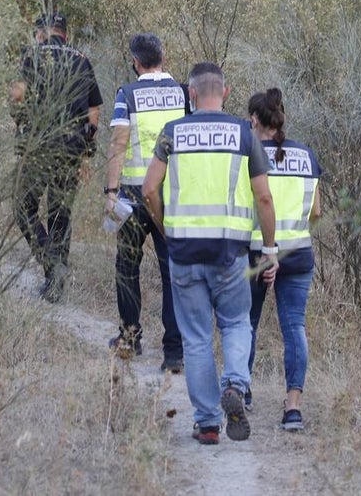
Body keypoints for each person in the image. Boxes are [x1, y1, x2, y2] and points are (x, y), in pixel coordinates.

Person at [142, 62, 278, 446]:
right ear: (227, 92)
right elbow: (264, 197)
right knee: (236, 324)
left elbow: (149, 189)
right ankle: (235, 383)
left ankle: (206, 423)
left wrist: (167, 227)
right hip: (229, 253)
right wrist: (269, 249)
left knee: (197, 338)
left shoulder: (172, 133)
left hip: (183, 252)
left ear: (190, 93)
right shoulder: (243, 133)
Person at [103, 33, 188, 372]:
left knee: (127, 267)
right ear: (162, 57)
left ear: (136, 62)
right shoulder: (183, 93)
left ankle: (129, 338)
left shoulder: (128, 93)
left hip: (135, 196)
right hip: (172, 196)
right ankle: (174, 353)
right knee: (172, 273)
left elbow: (119, 142)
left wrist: (111, 191)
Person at [244, 88, 322, 432]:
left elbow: (255, 203)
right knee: (294, 328)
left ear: (254, 120)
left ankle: (241, 389)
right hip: (298, 253)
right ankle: (293, 408)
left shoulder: (249, 153)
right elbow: (316, 212)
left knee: (245, 322)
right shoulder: (307, 155)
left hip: (258, 250)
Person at [10, 12, 102, 303]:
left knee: (23, 206)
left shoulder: (31, 55)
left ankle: (51, 263)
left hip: (39, 145)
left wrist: (20, 117)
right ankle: (55, 286)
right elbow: (94, 112)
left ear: (41, 32)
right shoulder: (82, 59)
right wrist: (86, 155)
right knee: (60, 212)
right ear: (65, 33)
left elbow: (17, 96)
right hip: (72, 146)